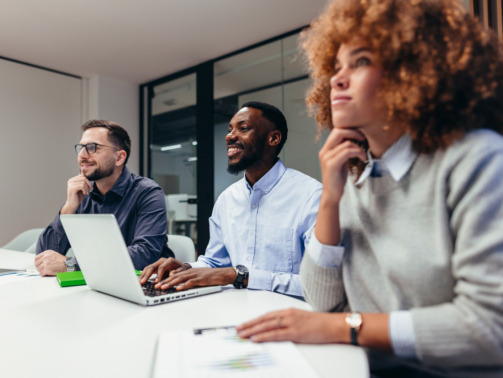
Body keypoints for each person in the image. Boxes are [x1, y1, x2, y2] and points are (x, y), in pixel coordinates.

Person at [236, 0, 503, 376]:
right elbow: (323, 302)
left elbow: (491, 328)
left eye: (360, 62)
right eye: (337, 66)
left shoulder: (476, 159)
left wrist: (341, 328)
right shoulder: (357, 175)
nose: (336, 79)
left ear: (414, 71)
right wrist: (331, 197)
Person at [139, 102, 322, 298]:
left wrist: (240, 276)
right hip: (232, 307)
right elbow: (215, 263)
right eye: (229, 130)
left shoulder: (311, 196)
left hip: (288, 315)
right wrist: (186, 267)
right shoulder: (227, 199)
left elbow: (320, 285)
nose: (230, 136)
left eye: (243, 128)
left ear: (274, 138)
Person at [35, 120, 174, 276]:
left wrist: (71, 264)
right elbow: (44, 257)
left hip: (144, 284)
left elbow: (144, 256)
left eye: (92, 148)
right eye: (81, 148)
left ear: (120, 157)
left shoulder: (148, 192)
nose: (82, 155)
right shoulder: (81, 193)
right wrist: (68, 209)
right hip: (96, 283)